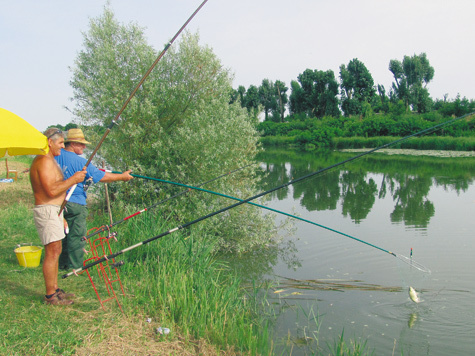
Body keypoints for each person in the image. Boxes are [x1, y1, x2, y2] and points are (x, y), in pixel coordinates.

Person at [55, 128, 133, 271]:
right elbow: (101, 177)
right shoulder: (81, 162)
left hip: (57, 203)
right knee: (76, 236)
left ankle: (62, 263)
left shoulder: (54, 157)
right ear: (72, 143)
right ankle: (75, 267)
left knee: (61, 234)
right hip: (75, 203)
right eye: (81, 144)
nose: (84, 147)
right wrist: (122, 177)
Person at [30, 128, 87, 305]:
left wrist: (60, 213)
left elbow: (54, 191)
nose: (63, 147)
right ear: (50, 142)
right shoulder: (44, 161)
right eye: (61, 143)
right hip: (47, 210)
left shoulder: (50, 160)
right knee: (52, 252)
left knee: (56, 250)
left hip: (54, 210)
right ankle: (50, 296)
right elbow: (51, 190)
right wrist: (74, 179)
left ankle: (54, 289)